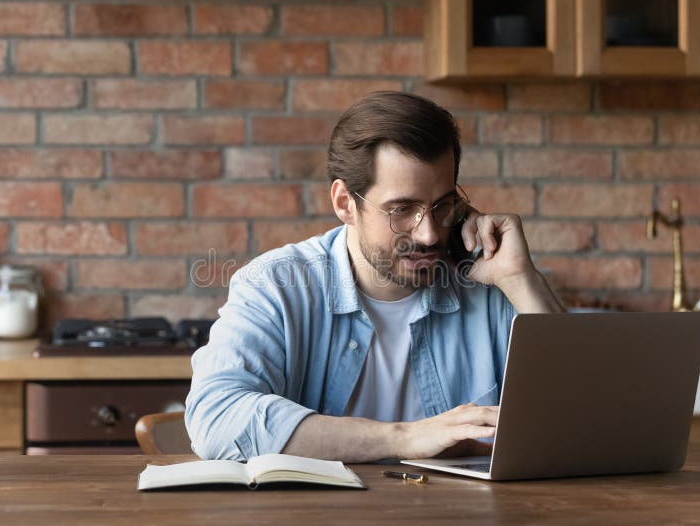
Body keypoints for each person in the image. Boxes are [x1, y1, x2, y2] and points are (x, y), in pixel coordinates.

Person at [185, 91, 564, 462]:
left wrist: (520, 278)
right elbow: (216, 419)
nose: (429, 233)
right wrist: (405, 437)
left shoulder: (488, 284)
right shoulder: (275, 286)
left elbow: (583, 417)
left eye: (442, 205)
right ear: (344, 204)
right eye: (402, 209)